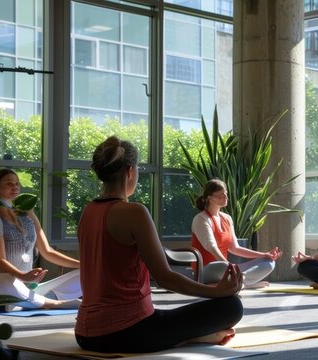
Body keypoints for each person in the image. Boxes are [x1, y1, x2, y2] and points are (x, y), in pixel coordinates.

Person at [75, 136, 243, 353]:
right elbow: (165, 278)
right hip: (126, 332)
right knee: (232, 306)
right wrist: (216, 292)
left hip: (85, 335)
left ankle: (186, 337)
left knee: (163, 316)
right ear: (130, 172)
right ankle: (191, 338)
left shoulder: (87, 212)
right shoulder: (135, 212)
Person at [0, 168, 81, 312]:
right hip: (9, 287)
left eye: (17, 183)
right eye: (9, 183)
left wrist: (83, 265)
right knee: (3, 280)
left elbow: (47, 252)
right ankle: (54, 303)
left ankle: (29, 302)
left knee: (86, 274)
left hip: (32, 289)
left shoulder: (28, 215)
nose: (14, 187)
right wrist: (23, 276)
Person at [191, 178, 281, 288]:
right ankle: (240, 282)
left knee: (269, 262)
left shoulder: (227, 218)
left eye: (226, 193)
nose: (226, 197)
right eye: (221, 195)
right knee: (222, 266)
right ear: (209, 197)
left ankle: (239, 282)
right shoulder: (201, 219)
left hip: (226, 268)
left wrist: (265, 254)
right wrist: (229, 266)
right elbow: (211, 247)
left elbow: (235, 248)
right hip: (206, 270)